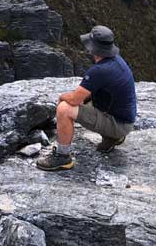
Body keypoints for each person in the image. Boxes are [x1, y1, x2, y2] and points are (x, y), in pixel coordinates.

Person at [36, 25, 137, 171]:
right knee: (82, 99)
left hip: (118, 124)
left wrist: (62, 97)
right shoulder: (115, 61)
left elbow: (74, 99)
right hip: (122, 120)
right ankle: (113, 138)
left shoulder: (100, 70)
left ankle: (62, 157)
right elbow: (87, 92)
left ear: (93, 48)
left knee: (64, 109)